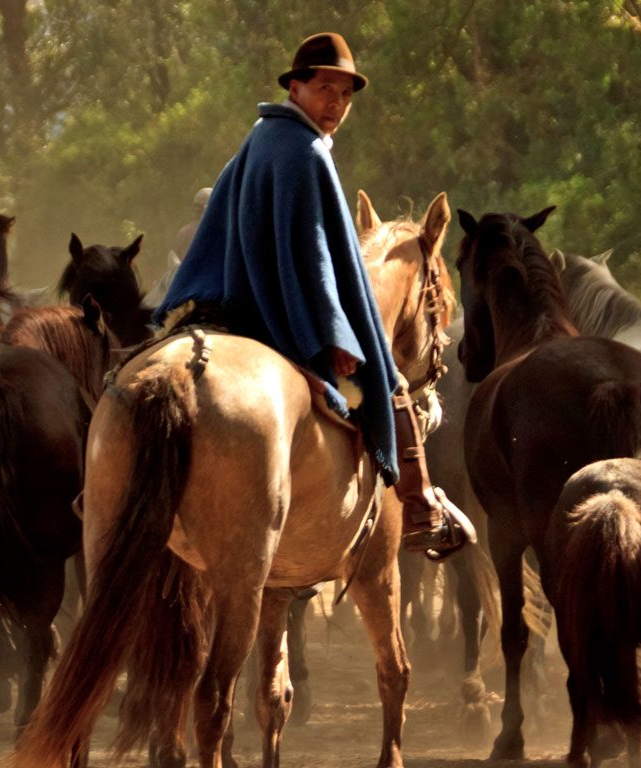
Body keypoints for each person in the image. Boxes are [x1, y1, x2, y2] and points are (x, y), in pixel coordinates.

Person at [156, 32, 471, 560]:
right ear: (296, 86)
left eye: (346, 95)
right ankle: (418, 509)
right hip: (279, 318)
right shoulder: (305, 151)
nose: (337, 104)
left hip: (233, 302)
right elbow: (317, 258)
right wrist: (333, 334)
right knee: (389, 383)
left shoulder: (261, 136)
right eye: (325, 88)